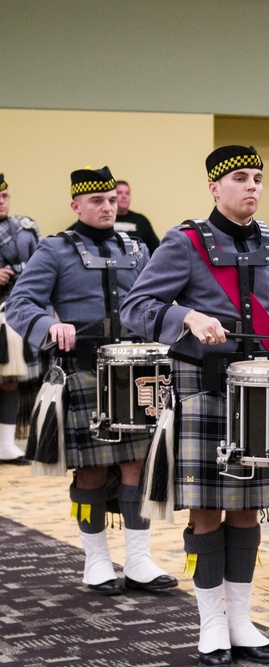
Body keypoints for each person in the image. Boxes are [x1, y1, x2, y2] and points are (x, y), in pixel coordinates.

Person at [121, 145, 269, 667]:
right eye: (240, 177)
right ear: (215, 186)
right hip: (204, 389)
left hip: (259, 395)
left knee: (248, 511)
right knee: (208, 511)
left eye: (258, 177)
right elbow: (136, 307)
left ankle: (240, 619)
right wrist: (186, 318)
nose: (252, 186)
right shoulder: (184, 241)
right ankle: (210, 621)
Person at [7, 166, 176, 597]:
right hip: (84, 371)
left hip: (136, 372)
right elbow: (21, 303)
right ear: (76, 205)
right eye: (97, 201)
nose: (107, 207)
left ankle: (138, 560)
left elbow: (156, 301)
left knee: (137, 463)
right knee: (93, 470)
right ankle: (96, 560)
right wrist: (49, 325)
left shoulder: (137, 249)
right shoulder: (55, 249)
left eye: (111, 200)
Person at [0, 173, 42, 463]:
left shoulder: (24, 230)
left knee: (10, 380)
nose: (2, 202)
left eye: (4, 196)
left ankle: (5, 445)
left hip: (9, 314)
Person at [114, 180, 160, 253]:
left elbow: (156, 249)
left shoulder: (141, 220)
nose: (124, 196)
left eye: (127, 193)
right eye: (119, 193)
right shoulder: (105, 219)